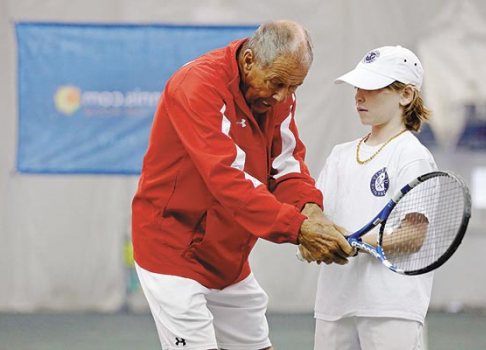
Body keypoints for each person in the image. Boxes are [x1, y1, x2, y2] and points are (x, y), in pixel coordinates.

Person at [131, 19, 353, 350]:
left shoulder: (280, 96)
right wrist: (298, 230)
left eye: (294, 87)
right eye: (276, 83)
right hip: (172, 250)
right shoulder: (197, 86)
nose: (282, 97)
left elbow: (285, 166)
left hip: (228, 258)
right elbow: (229, 181)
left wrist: (311, 211)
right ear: (249, 60)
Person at [300, 45, 437, 349]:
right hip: (334, 306)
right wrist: (314, 242)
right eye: (358, 86)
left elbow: (413, 235)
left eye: (373, 87)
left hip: (391, 308)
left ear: (406, 95)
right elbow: (319, 219)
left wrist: (358, 242)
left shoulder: (412, 156)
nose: (359, 95)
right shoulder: (340, 155)